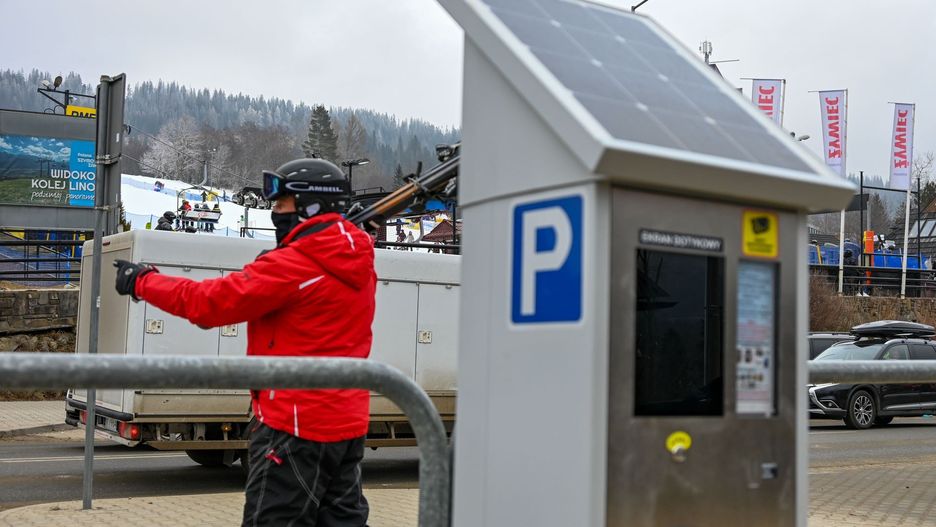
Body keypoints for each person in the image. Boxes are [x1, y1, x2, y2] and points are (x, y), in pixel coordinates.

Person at [113, 158, 376, 526]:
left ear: (309, 207)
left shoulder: (294, 265)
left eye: (281, 204)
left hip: (293, 427)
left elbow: (209, 305)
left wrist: (143, 281)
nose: (274, 213)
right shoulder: (357, 255)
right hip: (346, 424)